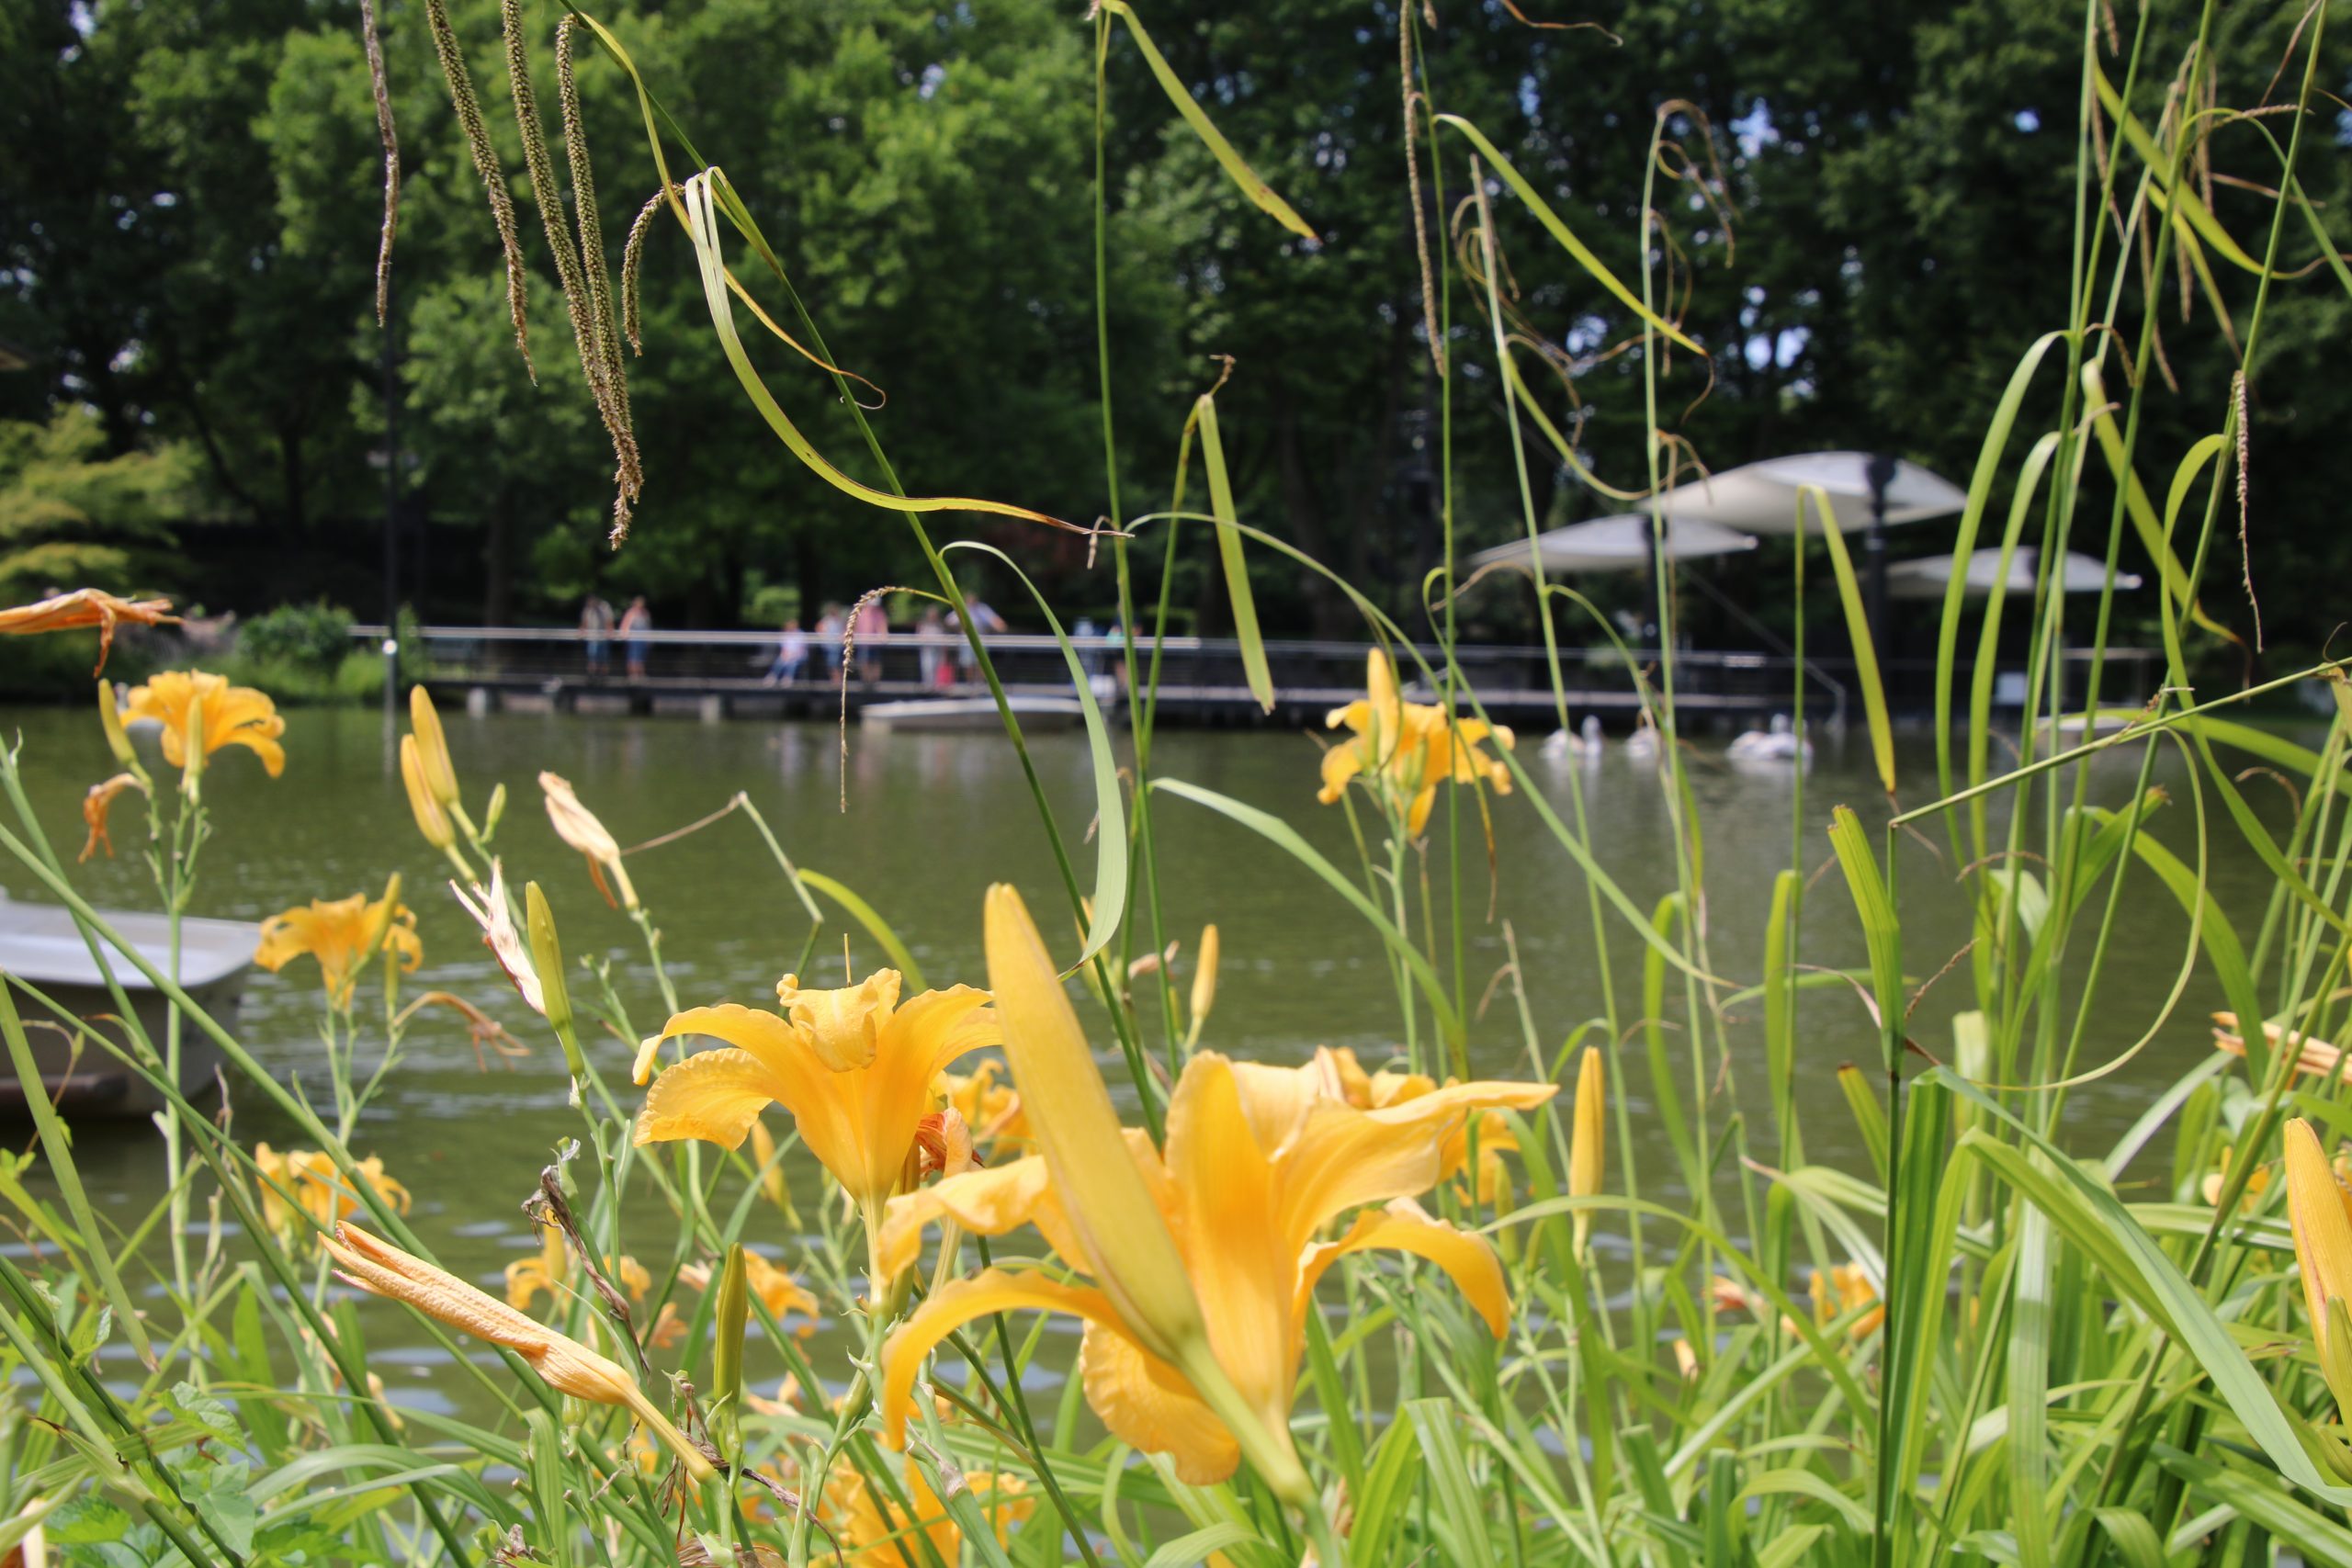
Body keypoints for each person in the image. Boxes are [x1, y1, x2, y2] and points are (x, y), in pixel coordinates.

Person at [853, 595, 889, 682]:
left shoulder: (880, 613)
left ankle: (874, 681)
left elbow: (882, 626)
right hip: (863, 643)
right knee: (863, 662)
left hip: (875, 643)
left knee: (876, 662)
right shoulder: (861, 612)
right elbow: (856, 626)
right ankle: (866, 680)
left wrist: (884, 635)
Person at [763, 618, 809, 685]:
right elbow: (784, 648)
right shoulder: (784, 634)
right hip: (787, 654)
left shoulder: (801, 634)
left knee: (792, 662)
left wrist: (792, 655)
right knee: (780, 660)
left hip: (799, 655)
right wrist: (785, 655)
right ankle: (773, 677)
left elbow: (802, 649)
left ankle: (788, 678)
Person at [618, 595, 652, 679]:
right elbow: (625, 625)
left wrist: (649, 639)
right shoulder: (631, 613)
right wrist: (625, 636)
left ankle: (640, 674)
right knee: (632, 657)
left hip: (642, 638)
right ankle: (633, 675)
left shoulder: (645, 613)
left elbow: (648, 626)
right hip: (633, 639)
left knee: (641, 658)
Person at [580, 594, 613, 676]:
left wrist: (609, 632)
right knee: (592, 657)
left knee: (604, 658)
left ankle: (603, 676)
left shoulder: (605, 606)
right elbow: (584, 622)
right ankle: (592, 675)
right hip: (592, 637)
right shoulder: (588, 609)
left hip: (603, 637)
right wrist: (581, 632)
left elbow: (609, 621)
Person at [915, 604, 947, 688]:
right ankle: (928, 684)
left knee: (937, 667)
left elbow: (943, 638)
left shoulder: (939, 626)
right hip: (927, 649)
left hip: (938, 649)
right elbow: (920, 636)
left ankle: (937, 685)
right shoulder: (923, 625)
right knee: (927, 667)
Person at [813, 603, 845, 683]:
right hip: (830, 646)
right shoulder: (826, 620)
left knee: (838, 664)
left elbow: (844, 630)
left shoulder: (839, 620)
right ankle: (836, 680)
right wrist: (824, 638)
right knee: (832, 664)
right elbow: (819, 628)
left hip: (838, 646)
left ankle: (838, 680)